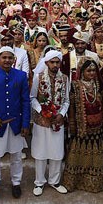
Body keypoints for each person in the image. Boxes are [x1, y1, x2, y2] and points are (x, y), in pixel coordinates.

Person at [0, 46, 31, 199]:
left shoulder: (21, 76)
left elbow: (25, 101)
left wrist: (25, 124)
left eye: (10, 58)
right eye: (4, 57)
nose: (7, 60)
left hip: (16, 123)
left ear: (14, 60)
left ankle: (16, 183)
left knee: (16, 156)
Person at [62, 60, 103, 193]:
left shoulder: (98, 85)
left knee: (97, 151)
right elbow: (72, 107)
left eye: (93, 71)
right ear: (82, 72)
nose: (92, 73)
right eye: (88, 71)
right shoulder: (75, 85)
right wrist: (72, 124)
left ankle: (98, 182)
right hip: (82, 128)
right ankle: (78, 181)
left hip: (98, 126)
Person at [30, 50, 70, 196]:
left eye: (57, 62)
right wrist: (41, 110)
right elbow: (32, 97)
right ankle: (39, 182)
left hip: (58, 121)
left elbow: (66, 100)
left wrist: (61, 114)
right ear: (46, 63)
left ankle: (54, 181)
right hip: (42, 121)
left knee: (57, 152)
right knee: (40, 152)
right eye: (52, 62)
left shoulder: (65, 78)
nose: (55, 65)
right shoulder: (39, 77)